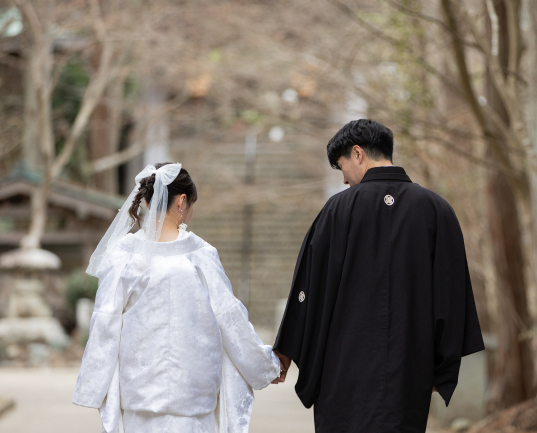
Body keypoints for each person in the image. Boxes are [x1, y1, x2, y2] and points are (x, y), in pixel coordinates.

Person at [273, 119, 485, 433]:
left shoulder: (336, 211)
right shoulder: (437, 210)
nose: (344, 179)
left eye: (341, 166)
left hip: (343, 370)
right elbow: (451, 294)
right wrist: (441, 366)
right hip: (409, 369)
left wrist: (286, 350)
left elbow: (309, 289)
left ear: (357, 153)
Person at [73, 163, 281, 433]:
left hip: (140, 401)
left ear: (146, 200)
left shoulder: (123, 256)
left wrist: (93, 385)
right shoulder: (200, 255)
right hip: (192, 403)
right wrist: (266, 364)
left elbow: (105, 324)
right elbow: (231, 320)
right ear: (182, 202)